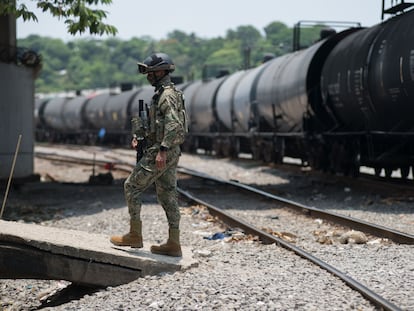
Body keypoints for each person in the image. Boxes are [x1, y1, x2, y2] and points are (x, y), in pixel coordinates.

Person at [110, 52, 187, 257]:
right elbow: (160, 125)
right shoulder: (166, 93)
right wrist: (140, 135)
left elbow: (174, 124)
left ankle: (134, 235)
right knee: (167, 194)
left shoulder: (166, 95)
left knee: (131, 186)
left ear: (161, 71)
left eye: (151, 71)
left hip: (161, 150)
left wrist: (161, 150)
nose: (148, 76)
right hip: (169, 150)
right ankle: (174, 242)